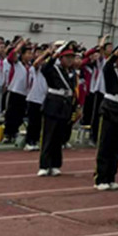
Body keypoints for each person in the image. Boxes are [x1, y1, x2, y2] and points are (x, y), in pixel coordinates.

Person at [94, 41, 118, 190]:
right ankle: (101, 178)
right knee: (106, 145)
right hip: (110, 109)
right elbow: (107, 66)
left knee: (117, 147)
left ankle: (111, 176)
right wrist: (113, 55)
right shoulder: (111, 71)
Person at [37, 42, 79, 176]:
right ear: (61, 58)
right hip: (53, 105)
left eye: (72, 57)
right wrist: (52, 55)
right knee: (48, 137)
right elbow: (44, 68)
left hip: (65, 107)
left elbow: (73, 91)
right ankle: (44, 165)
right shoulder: (54, 69)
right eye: (67, 57)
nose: (70, 60)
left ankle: (55, 164)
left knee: (58, 138)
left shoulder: (72, 73)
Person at [3, 39, 34, 144]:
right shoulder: (17, 63)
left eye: (31, 54)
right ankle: (8, 134)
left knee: (20, 114)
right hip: (15, 91)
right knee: (11, 113)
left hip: (25, 93)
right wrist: (20, 45)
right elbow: (12, 55)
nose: (30, 56)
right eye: (28, 53)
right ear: (22, 54)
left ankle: (15, 131)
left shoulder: (31, 66)